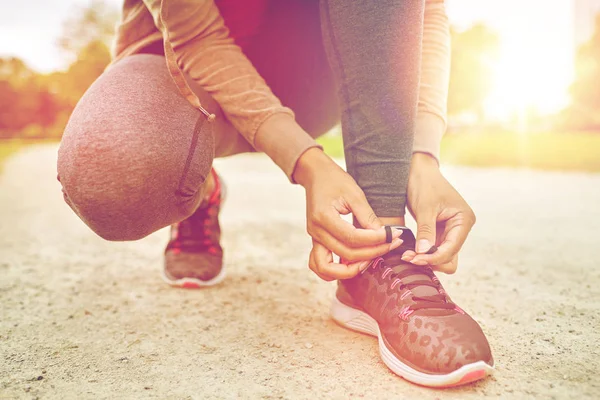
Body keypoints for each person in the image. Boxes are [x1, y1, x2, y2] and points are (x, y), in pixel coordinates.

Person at [57, 0, 494, 388]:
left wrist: (420, 153)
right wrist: (307, 163)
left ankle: (378, 249)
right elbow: (198, 38)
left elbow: (424, 11)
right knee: (109, 166)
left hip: (316, 65)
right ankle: (198, 187)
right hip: (182, 67)